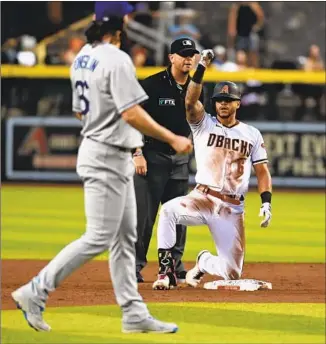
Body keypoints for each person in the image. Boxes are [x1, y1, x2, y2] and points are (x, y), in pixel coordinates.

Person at [11, 11, 193, 333]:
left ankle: (133, 313)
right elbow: (132, 112)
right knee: (98, 237)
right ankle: (34, 291)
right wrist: (172, 137)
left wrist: (106, 132)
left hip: (106, 149)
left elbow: (80, 112)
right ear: (119, 24)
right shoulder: (116, 59)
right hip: (106, 155)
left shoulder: (82, 56)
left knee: (125, 239)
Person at [152, 49, 272, 290]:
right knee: (168, 211)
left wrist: (266, 202)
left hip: (232, 208)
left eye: (228, 101)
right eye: (219, 101)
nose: (223, 105)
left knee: (232, 273)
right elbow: (189, 101)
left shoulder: (251, 134)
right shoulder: (203, 124)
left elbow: (262, 170)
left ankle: (204, 261)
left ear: (238, 103)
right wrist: (202, 66)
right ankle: (166, 272)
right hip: (203, 197)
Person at [133, 38, 202, 284]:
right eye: (183, 54)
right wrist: (136, 152)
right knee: (145, 217)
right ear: (171, 57)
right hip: (152, 156)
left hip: (180, 160)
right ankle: (135, 267)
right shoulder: (151, 84)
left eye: (191, 54)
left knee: (179, 216)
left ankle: (174, 265)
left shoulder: (196, 86)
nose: (188, 59)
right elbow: (131, 118)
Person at [227, 2, 264, 68]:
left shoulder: (254, 5)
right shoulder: (236, 7)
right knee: (240, 54)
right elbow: (232, 20)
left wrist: (256, 27)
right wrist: (232, 32)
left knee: (253, 53)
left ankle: (253, 70)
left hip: (251, 33)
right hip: (240, 34)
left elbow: (261, 17)